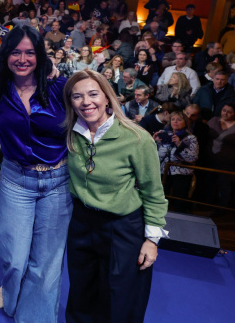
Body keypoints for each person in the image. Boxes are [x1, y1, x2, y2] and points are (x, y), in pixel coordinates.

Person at [63, 69, 168, 323]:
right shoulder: (69, 134)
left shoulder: (136, 138)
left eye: (92, 94)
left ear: (107, 97)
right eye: (77, 96)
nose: (86, 102)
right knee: (81, 293)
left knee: (121, 297)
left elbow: (153, 192)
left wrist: (152, 241)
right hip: (81, 223)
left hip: (122, 227)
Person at [0, 25, 70, 323]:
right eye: (15, 52)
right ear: (5, 55)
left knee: (46, 263)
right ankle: (12, 298)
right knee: (14, 258)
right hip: (15, 179)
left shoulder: (60, 86)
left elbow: (95, 109)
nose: (22, 59)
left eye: (29, 52)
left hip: (57, 181)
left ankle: (33, 317)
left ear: (40, 56)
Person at [154, 110, 198, 212]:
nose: (175, 122)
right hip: (163, 172)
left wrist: (179, 145)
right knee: (160, 200)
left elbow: (192, 158)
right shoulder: (165, 135)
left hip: (181, 173)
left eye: (179, 120)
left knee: (180, 202)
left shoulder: (191, 138)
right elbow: (157, 156)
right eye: (173, 119)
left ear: (186, 122)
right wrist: (155, 143)